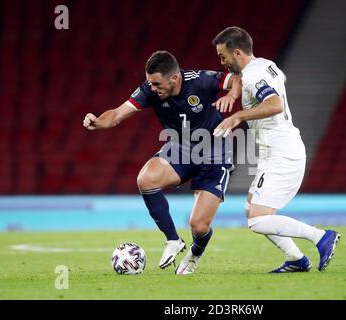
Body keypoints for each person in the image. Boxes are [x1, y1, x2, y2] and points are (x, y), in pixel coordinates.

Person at [83, 51, 238, 275]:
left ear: (174, 79)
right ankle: (173, 239)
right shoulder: (150, 89)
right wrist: (98, 121)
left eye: (156, 83)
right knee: (146, 179)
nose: (152, 88)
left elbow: (238, 79)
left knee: (199, 225)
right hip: (180, 149)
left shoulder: (202, 80)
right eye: (150, 83)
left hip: (215, 154)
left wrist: (232, 95)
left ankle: (195, 253)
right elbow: (117, 114)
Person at [212, 27, 340, 273]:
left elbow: (275, 104)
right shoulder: (264, 65)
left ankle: (321, 237)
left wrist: (238, 115)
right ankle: (295, 259)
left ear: (237, 53)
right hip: (281, 149)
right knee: (251, 208)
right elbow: (244, 77)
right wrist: (234, 90)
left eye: (223, 56)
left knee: (257, 220)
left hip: (280, 153)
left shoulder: (254, 75)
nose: (221, 62)